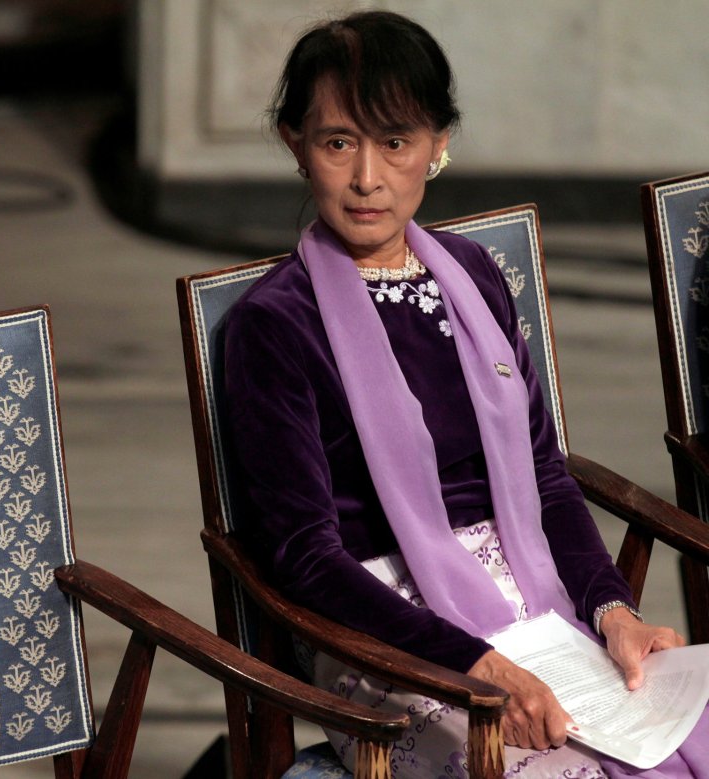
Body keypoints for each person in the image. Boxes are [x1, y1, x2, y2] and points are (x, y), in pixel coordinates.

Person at [222, 10, 707, 777]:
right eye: (338, 141)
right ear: (296, 144)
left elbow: (545, 475)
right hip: (385, 637)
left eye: (396, 141)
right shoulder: (273, 325)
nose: (367, 178)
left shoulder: (475, 276)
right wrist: (474, 663)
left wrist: (614, 611)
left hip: (538, 603)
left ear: (439, 144)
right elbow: (304, 556)